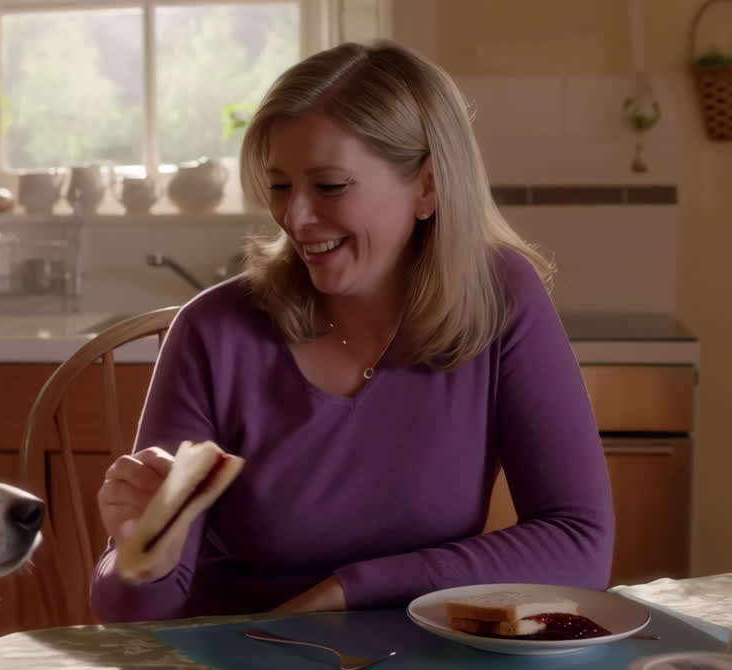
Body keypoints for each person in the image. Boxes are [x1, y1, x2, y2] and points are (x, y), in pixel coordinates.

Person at [89, 41, 614, 622]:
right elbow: (133, 626)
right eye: (280, 185)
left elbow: (579, 544)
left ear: (428, 187)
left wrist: (350, 590)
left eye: (330, 186)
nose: (295, 218)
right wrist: (146, 554)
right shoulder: (213, 334)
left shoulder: (500, 297)